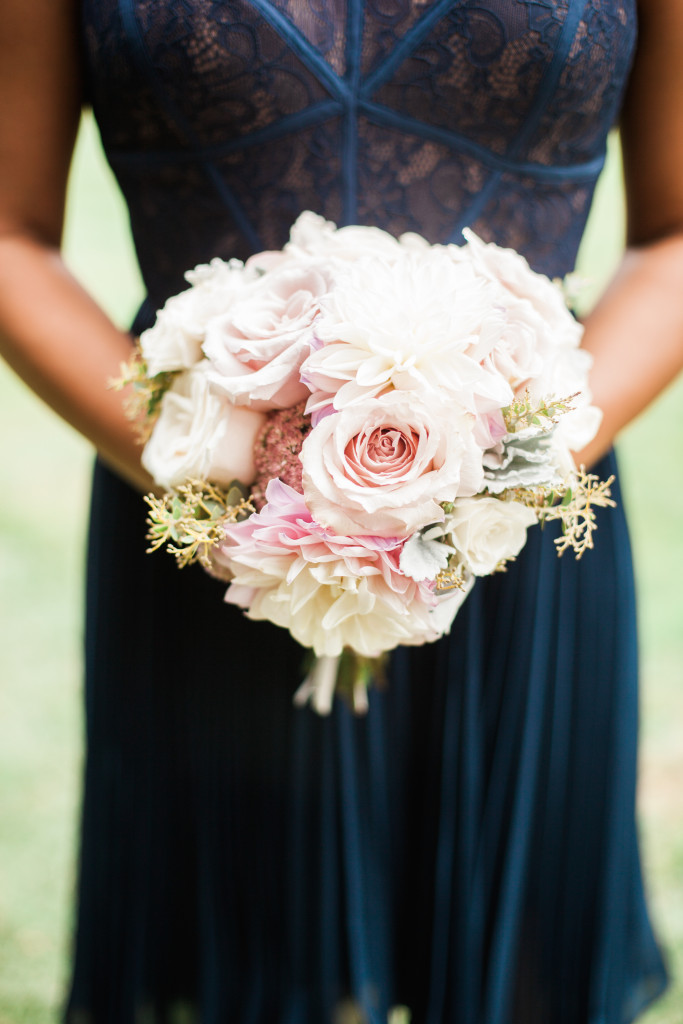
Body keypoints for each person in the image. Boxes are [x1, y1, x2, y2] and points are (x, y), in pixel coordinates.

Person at [0, 0, 681, 1021]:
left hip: (517, 543)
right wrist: (231, 479)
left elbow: (673, 234)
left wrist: (494, 478)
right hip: (213, 545)